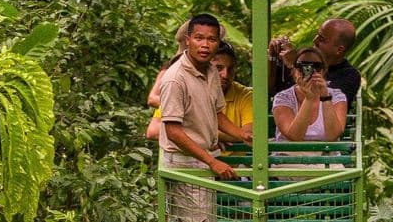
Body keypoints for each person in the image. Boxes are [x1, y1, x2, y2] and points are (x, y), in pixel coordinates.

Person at [159, 14, 251, 222]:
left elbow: (216, 113)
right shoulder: (175, 79)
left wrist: (241, 134)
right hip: (185, 162)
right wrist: (212, 161)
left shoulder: (211, 70)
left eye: (211, 39)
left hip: (203, 159)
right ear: (188, 40)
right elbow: (172, 131)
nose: (205, 45)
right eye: (199, 38)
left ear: (218, 43)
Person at [146, 21, 226, 140]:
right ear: (188, 40)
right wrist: (187, 106)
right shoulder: (173, 71)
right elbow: (152, 99)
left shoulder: (207, 71)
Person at [268, 18, 361, 109]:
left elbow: (321, 107)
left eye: (321, 39)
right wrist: (272, 56)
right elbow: (266, 90)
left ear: (339, 50)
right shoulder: (302, 59)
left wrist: (294, 65)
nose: (314, 41)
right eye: (317, 35)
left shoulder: (349, 75)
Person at [272, 47, 347, 143]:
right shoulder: (283, 98)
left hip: (326, 155)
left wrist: (325, 97)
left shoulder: (336, 96)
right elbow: (294, 137)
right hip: (289, 156)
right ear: (294, 70)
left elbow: (333, 136)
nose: (309, 70)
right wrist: (309, 99)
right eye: (302, 66)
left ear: (323, 70)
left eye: (316, 66)